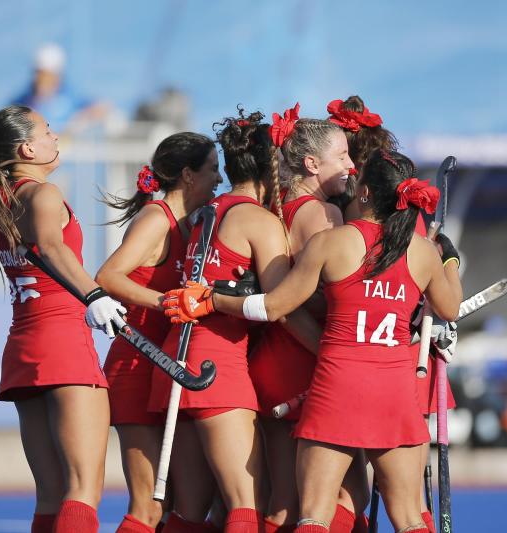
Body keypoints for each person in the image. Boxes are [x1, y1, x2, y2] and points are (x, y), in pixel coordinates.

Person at [164, 148, 462, 533]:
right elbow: (450, 308)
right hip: (394, 389)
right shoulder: (421, 251)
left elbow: (274, 307)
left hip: (338, 387)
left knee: (314, 515)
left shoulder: (332, 243)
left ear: (366, 193)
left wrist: (212, 299)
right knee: (408, 516)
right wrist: (449, 259)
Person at [147, 107, 321, 533]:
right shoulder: (259, 221)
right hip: (216, 368)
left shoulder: (202, 213)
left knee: (189, 510)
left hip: (173, 362)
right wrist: (333, 352)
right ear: (273, 165)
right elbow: (282, 308)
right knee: (246, 504)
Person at [0, 105, 127, 533]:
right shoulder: (42, 194)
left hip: (24, 346)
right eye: (47, 131)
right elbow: (52, 247)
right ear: (27, 148)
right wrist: (94, 295)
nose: (55, 138)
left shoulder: (0, 200)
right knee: (82, 490)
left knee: (51, 496)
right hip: (64, 342)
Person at [328, 95, 454, 532]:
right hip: (392, 367)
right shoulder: (407, 230)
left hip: (354, 368)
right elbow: (442, 301)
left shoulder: (339, 220)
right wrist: (450, 260)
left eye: (346, 155)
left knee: (330, 500)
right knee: (402, 505)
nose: (344, 167)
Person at [95, 133, 222, 533]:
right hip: (135, 365)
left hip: (166, 368)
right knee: (148, 507)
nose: (220, 179)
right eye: (213, 169)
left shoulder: (195, 225)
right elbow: (108, 276)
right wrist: (166, 301)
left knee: (179, 509)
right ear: (187, 174)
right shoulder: (156, 219)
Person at [246, 105, 364, 533]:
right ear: (312, 165)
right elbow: (325, 298)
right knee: (345, 496)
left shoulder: (275, 208)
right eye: (344, 157)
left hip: (272, 362)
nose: (352, 165)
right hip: (306, 363)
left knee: (282, 500)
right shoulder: (325, 215)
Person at [13, 43, 108, 136]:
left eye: (46, 74)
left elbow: (100, 108)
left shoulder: (70, 97)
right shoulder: (22, 102)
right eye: (38, 73)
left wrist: (78, 123)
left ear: (57, 75)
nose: (40, 79)